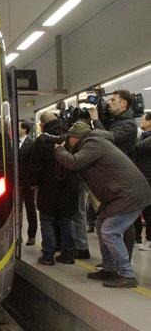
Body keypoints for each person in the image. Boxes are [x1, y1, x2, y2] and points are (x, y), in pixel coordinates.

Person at [54, 122, 151, 288]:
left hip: (129, 195)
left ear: (74, 138)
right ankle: (109, 268)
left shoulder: (93, 143)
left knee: (110, 230)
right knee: (100, 226)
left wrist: (58, 150)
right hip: (120, 194)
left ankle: (127, 275)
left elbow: (74, 163)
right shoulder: (94, 143)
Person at [89, 89, 138, 260]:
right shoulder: (116, 121)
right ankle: (111, 265)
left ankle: (123, 265)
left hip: (122, 181)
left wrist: (95, 120)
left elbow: (108, 139)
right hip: (113, 178)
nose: (110, 103)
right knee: (103, 223)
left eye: (114, 100)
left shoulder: (128, 124)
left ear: (124, 103)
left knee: (121, 226)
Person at [29, 111, 78, 265]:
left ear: (42, 124)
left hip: (48, 187)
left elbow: (35, 165)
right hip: (69, 186)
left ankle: (48, 255)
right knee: (66, 221)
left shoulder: (42, 140)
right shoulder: (70, 136)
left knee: (47, 220)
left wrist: (33, 183)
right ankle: (68, 254)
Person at [18, 120, 37, 246]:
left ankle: (31, 235)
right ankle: (17, 235)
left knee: (30, 209)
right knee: (17, 210)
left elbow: (33, 164)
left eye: (19, 126)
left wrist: (33, 182)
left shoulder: (31, 144)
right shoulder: (12, 143)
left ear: (25, 129)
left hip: (27, 183)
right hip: (16, 183)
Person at [135, 112, 151, 251]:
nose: (141, 121)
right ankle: (137, 238)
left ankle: (149, 239)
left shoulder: (148, 139)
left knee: (148, 210)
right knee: (138, 209)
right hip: (142, 176)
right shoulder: (143, 136)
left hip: (148, 177)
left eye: (143, 119)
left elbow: (139, 147)